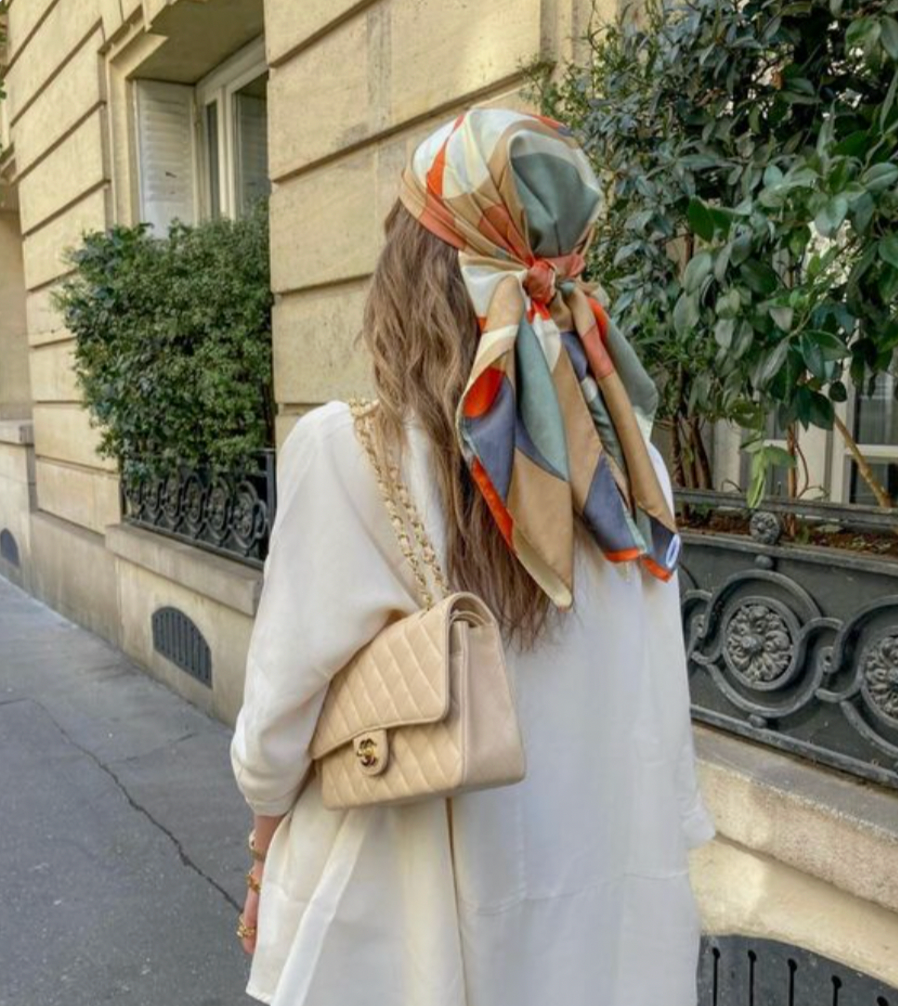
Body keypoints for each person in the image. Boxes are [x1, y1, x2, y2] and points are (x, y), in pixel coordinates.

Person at [229, 107, 716, 1006]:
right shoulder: (628, 470)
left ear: (410, 271)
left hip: (408, 920)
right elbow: (659, 697)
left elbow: (275, 731)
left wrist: (262, 848)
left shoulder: (350, 451)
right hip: (598, 919)